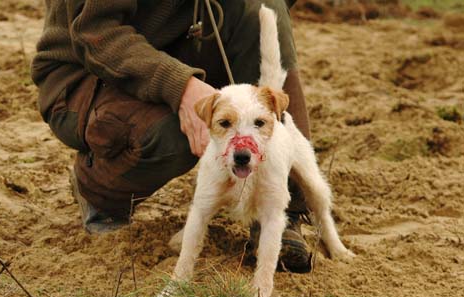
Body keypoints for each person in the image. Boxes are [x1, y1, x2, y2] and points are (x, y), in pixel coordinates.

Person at [31, 0, 313, 272]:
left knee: (264, 8)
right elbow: (95, 33)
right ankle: (98, 188)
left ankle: (284, 210)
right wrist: (181, 86)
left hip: (181, 42)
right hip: (84, 70)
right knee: (173, 134)